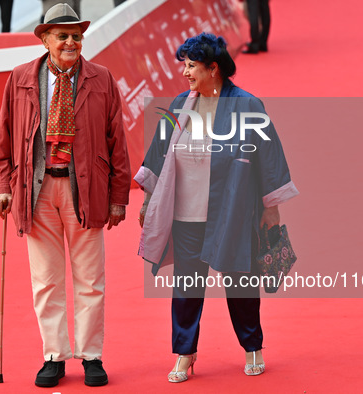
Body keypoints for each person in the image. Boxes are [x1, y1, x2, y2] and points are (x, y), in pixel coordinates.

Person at [135, 32, 298, 382]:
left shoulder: (248, 105)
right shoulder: (179, 105)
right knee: (186, 285)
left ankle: (252, 344)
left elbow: (268, 156)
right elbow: (158, 153)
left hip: (233, 210)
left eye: (191, 66)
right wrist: (149, 199)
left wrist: (271, 207)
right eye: (185, 66)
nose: (185, 73)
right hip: (186, 214)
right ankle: (185, 352)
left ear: (213, 68)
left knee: (241, 283)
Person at [0, 3, 131, 388]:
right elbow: (1, 141)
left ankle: (91, 355)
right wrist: (3, 189)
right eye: (63, 35)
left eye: (77, 36)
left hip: (85, 190)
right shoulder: (20, 78)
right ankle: (53, 355)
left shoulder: (101, 78)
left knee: (90, 278)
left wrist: (119, 196)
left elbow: (118, 142)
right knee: (46, 280)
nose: (71, 42)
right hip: (35, 191)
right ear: (46, 38)